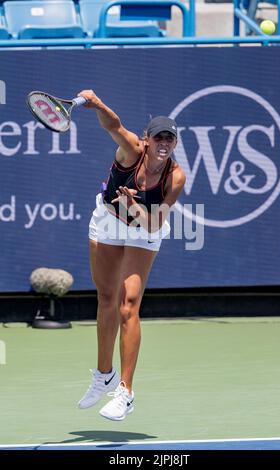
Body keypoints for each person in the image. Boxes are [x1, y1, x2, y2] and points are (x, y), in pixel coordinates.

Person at [77, 89, 186, 421]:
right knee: (106, 296)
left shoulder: (175, 177)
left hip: (143, 229)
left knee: (128, 304)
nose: (164, 142)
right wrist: (96, 103)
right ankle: (103, 374)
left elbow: (154, 226)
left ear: (175, 143)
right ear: (147, 140)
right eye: (159, 136)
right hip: (108, 220)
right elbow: (114, 125)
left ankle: (125, 391)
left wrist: (134, 206)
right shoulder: (130, 151)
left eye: (170, 137)